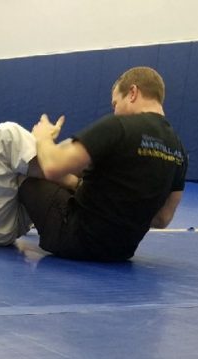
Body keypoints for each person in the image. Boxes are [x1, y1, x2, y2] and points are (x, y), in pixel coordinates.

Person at [22, 66, 187, 261]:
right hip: (121, 252)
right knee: (70, 180)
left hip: (73, 240)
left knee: (23, 173)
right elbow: (163, 219)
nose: (115, 111)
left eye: (115, 103)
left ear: (133, 92)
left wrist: (43, 137)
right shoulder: (179, 150)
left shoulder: (119, 127)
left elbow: (52, 166)